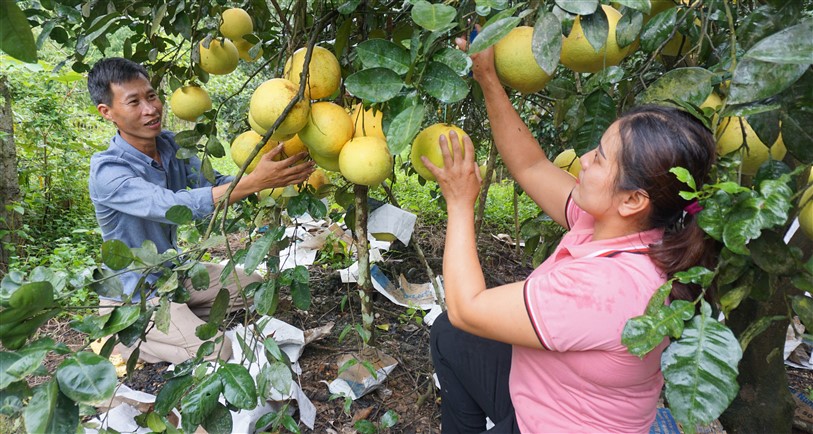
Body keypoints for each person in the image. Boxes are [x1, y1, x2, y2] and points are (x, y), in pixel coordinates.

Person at [424, 36, 718, 433]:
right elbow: (531, 166)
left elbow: (468, 307)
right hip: (541, 393)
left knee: (458, 320)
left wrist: (459, 203)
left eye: (598, 157)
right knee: (449, 334)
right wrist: (488, 77)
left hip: (554, 425)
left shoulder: (606, 289)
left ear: (633, 199)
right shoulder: (625, 227)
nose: (582, 160)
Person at [88, 57, 315, 365]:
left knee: (258, 291)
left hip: (175, 277)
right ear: (107, 112)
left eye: (151, 96)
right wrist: (253, 183)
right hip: (136, 296)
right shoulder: (108, 171)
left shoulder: (169, 146)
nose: (150, 109)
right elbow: (172, 207)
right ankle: (124, 337)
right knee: (218, 351)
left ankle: (178, 322)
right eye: (134, 102)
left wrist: (268, 179)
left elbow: (216, 183)